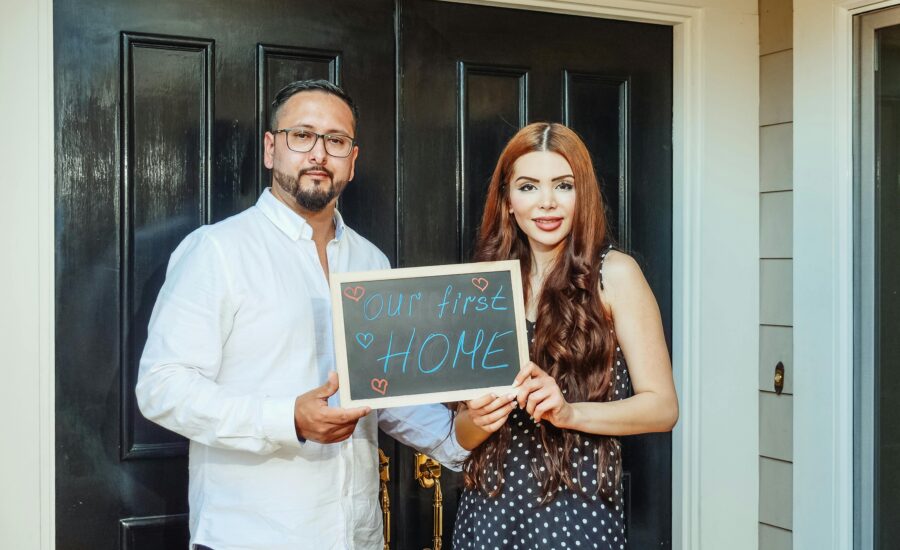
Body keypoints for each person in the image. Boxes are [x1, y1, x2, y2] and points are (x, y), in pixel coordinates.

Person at [136, 79, 467, 550]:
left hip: (358, 535)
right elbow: (161, 387)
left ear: (352, 161)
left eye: (335, 140)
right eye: (302, 135)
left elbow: (382, 388)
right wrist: (286, 418)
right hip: (251, 536)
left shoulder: (371, 262)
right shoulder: (218, 251)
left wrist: (457, 438)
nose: (319, 153)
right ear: (272, 149)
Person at [451, 122, 679, 549]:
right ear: (507, 199)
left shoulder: (615, 274)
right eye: (528, 186)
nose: (547, 203)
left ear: (583, 194)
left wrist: (569, 413)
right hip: (487, 517)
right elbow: (463, 436)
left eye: (563, 185)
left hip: (576, 519)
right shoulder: (483, 286)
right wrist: (479, 419)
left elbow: (662, 408)